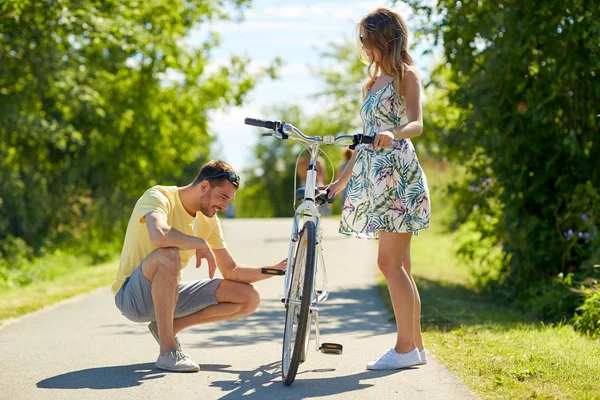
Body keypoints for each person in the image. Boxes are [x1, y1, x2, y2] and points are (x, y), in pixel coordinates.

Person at [326, 7, 431, 370]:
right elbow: (365, 142)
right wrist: (340, 182)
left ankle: (404, 349)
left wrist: (394, 132)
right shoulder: (369, 86)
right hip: (374, 175)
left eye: (366, 39)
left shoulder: (407, 76)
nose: (362, 46)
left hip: (399, 174)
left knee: (389, 262)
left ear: (383, 39)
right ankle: (415, 348)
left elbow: (416, 124)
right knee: (399, 262)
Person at [112, 160, 286, 372]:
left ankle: (167, 328)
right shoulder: (159, 197)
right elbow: (159, 235)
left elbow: (231, 270)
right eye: (223, 197)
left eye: (229, 200)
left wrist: (277, 270)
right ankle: (168, 351)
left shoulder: (209, 221)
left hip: (168, 295)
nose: (224, 206)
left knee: (249, 298)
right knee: (169, 255)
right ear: (204, 186)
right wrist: (198, 243)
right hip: (132, 297)